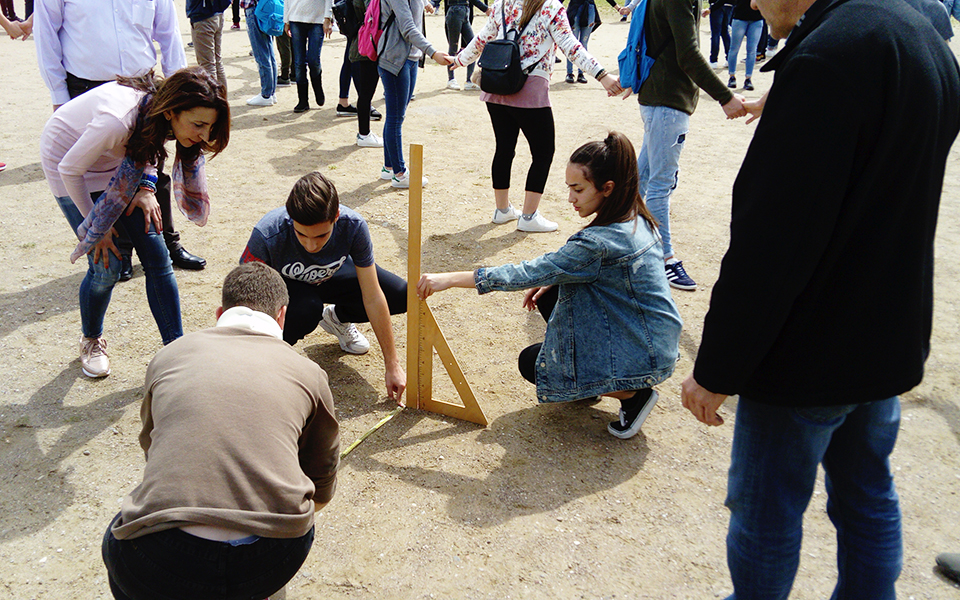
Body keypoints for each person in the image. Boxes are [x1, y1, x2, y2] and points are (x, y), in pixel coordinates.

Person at [679, 0, 960, 596]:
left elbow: (771, 241)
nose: (751, 3)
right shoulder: (917, 33)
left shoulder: (827, 58)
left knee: (765, 513)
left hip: (809, 352)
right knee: (867, 496)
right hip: (883, 336)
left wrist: (718, 368)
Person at [417, 132, 682, 439]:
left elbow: (525, 273)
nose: (570, 198)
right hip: (655, 338)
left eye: (578, 189)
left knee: (533, 363)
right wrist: (554, 282)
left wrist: (448, 279)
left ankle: (634, 395)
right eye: (569, 188)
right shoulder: (636, 216)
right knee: (551, 292)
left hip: (644, 355)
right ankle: (595, 382)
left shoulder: (597, 243)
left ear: (607, 188)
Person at [101, 262, 340, 600]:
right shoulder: (309, 373)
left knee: (122, 541)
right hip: (269, 554)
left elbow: (150, 444)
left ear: (219, 312)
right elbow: (322, 474)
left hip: (161, 558)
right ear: (282, 315)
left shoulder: (169, 356)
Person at [41, 67, 230, 378]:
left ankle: (175, 351)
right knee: (107, 266)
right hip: (70, 164)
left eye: (208, 127)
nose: (204, 136)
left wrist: (145, 186)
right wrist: (96, 226)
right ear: (171, 111)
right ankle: (91, 339)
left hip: (121, 162)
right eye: (198, 125)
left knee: (158, 255)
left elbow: (151, 145)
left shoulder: (156, 115)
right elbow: (70, 169)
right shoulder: (117, 120)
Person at [34, 0, 208, 277]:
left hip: (145, 86)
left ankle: (167, 242)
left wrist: (179, 92)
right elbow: (47, 36)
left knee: (152, 171)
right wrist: (58, 95)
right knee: (103, 175)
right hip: (88, 87)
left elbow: (168, 33)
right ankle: (122, 250)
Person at [451, 0, 623, 232]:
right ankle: (529, 216)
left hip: (497, 86)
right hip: (529, 89)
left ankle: (502, 210)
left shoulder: (503, 3)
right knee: (543, 152)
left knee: (504, 149)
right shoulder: (550, 7)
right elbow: (571, 46)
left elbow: (482, 38)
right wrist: (602, 74)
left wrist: (459, 60)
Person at [241, 171, 408, 402]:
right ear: (290, 217)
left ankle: (337, 319)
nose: (311, 245)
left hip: (332, 276)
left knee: (401, 295)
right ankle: (270, 363)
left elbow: (372, 295)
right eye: (301, 234)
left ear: (336, 216)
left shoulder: (354, 226)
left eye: (321, 236)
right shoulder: (267, 234)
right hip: (290, 292)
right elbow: (245, 302)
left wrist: (393, 365)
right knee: (307, 309)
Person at [619, 0, 744, 290]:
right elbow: (688, 54)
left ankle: (623, 238)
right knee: (661, 184)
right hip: (667, 100)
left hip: (659, 97)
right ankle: (664, 259)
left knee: (644, 176)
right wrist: (725, 96)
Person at [376, 0, 451, 189]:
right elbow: (407, 27)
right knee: (395, 118)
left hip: (411, 57)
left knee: (396, 116)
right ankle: (400, 174)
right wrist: (433, 53)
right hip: (395, 59)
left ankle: (389, 167)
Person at [285, 0, 333, 112]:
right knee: (299, 62)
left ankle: (317, 88)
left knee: (313, 60)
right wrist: (286, 20)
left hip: (317, 19)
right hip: (295, 18)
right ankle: (303, 100)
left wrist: (327, 17)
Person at [432, 0, 489, 90]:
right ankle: (451, 79)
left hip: (465, 11)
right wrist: (485, 9)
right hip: (455, 11)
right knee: (453, 47)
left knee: (473, 46)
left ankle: (469, 80)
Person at [563, 0, 622, 84]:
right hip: (575, 9)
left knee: (584, 43)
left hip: (589, 9)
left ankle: (581, 73)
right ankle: (569, 72)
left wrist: (617, 7)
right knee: (572, 43)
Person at [186, 0, 231, 91]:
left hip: (204, 16)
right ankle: (222, 97)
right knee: (216, 61)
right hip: (217, 13)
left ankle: (214, 100)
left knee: (207, 65)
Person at [241, 0, 279, 106]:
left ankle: (266, 94)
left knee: (261, 54)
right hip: (265, 8)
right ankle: (271, 92)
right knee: (269, 53)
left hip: (256, 9)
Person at [725, 0, 761, 91]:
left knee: (752, 50)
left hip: (757, 19)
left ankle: (748, 78)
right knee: (734, 49)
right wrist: (712, 8)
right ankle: (732, 76)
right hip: (740, 18)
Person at [701, 0, 734, 69]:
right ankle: (730, 59)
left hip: (717, 5)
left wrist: (711, 8)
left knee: (715, 34)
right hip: (729, 5)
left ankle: (713, 60)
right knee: (725, 32)